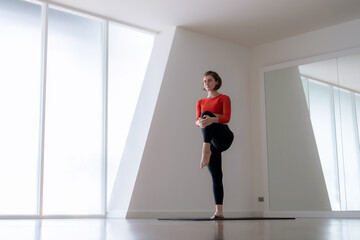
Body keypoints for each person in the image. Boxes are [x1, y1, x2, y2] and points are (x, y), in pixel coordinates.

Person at [195, 71, 234, 219]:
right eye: (204, 81)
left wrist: (210, 118)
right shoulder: (200, 102)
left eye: (210, 80)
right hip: (212, 142)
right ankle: (219, 212)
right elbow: (196, 121)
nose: (207, 83)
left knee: (206, 114)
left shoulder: (224, 98)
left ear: (217, 82)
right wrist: (203, 120)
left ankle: (205, 150)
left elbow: (226, 118)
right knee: (216, 176)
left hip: (224, 137)